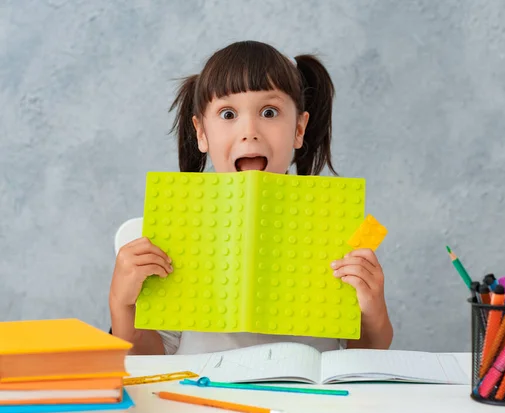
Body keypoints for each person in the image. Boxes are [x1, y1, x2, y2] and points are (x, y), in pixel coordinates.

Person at [109, 40, 393, 355]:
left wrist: (372, 307)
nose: (250, 131)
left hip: (311, 399)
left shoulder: (336, 227)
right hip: (203, 396)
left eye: (269, 112)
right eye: (228, 113)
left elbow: (368, 350)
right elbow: (146, 359)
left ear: (299, 128)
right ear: (201, 132)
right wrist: (122, 304)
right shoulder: (173, 230)